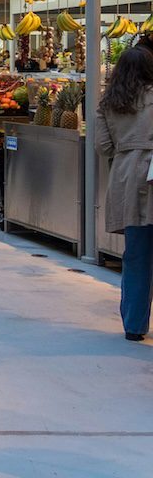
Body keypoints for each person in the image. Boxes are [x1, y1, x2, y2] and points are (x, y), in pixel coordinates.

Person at [96, 46, 153, 342]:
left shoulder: (108, 103)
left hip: (127, 179)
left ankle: (134, 325)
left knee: (137, 256)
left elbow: (103, 147)